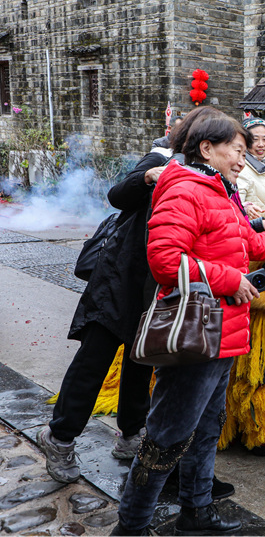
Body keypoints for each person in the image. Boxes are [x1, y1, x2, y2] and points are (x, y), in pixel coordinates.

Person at [112, 109, 265, 535]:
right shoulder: (185, 188)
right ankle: (131, 525)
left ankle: (197, 511)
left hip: (224, 331)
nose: (243, 159)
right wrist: (231, 279)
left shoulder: (220, 191)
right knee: (167, 434)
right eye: (237, 150)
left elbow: (252, 242)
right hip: (198, 330)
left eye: (246, 151)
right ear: (207, 148)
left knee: (207, 429)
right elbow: (166, 260)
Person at [38, 155, 166, 485]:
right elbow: (118, 196)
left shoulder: (207, 178)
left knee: (140, 364)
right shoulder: (160, 160)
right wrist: (148, 176)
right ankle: (60, 437)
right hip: (118, 278)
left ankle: (131, 434)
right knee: (93, 362)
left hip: (152, 287)